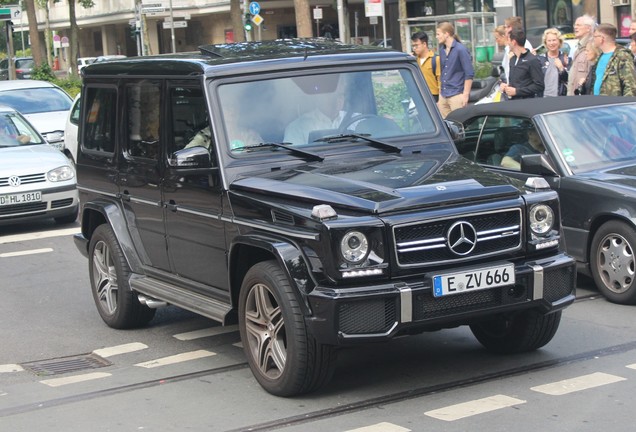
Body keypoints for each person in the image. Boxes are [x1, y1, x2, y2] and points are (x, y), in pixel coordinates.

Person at [435, 22, 474, 118]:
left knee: (460, 124)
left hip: (456, 94)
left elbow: (469, 73)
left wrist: (465, 95)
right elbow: (443, 72)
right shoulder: (442, 50)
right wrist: (440, 92)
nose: (436, 37)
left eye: (438, 34)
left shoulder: (461, 49)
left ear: (446, 34)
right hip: (444, 94)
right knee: (446, 125)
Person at [590, 23, 636, 96]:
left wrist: (625, 106)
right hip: (597, 104)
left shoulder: (622, 56)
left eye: (595, 36)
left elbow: (630, 85)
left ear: (602, 38)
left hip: (613, 105)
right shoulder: (600, 56)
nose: (593, 39)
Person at [500, 27, 544, 99]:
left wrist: (517, 91)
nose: (507, 43)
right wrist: (506, 87)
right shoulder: (512, 60)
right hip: (513, 103)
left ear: (513, 42)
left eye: (508, 40)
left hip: (527, 104)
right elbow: (515, 83)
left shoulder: (532, 60)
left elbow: (539, 86)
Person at [567, 14, 596, 95]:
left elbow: (593, 75)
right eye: (575, 25)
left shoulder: (592, 47)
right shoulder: (578, 48)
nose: (575, 27)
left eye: (578, 25)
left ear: (588, 28)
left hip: (584, 97)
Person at [537, 28, 569, 97]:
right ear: (545, 43)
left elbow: (569, 79)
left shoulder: (565, 58)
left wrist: (561, 68)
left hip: (560, 98)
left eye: (554, 40)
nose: (552, 43)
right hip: (543, 98)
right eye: (549, 41)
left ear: (559, 41)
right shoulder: (540, 59)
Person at [502, 16, 534, 83]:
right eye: (505, 27)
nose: (505, 30)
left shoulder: (524, 45)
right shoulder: (508, 47)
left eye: (508, 27)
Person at [411, 31, 441, 101]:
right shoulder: (415, 60)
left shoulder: (435, 59)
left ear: (424, 44)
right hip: (419, 94)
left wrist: (440, 100)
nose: (414, 48)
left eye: (416, 45)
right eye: (413, 46)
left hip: (433, 95)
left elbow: (440, 81)